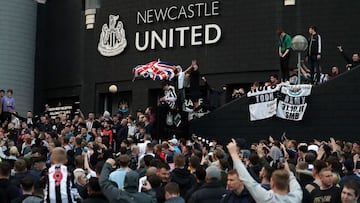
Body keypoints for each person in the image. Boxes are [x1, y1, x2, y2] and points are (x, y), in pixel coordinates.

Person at [227, 138, 303, 203]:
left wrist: (233, 154)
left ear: (272, 184)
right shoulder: (297, 197)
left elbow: (249, 181)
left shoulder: (267, 198)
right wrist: (286, 167)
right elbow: (292, 179)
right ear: (288, 184)